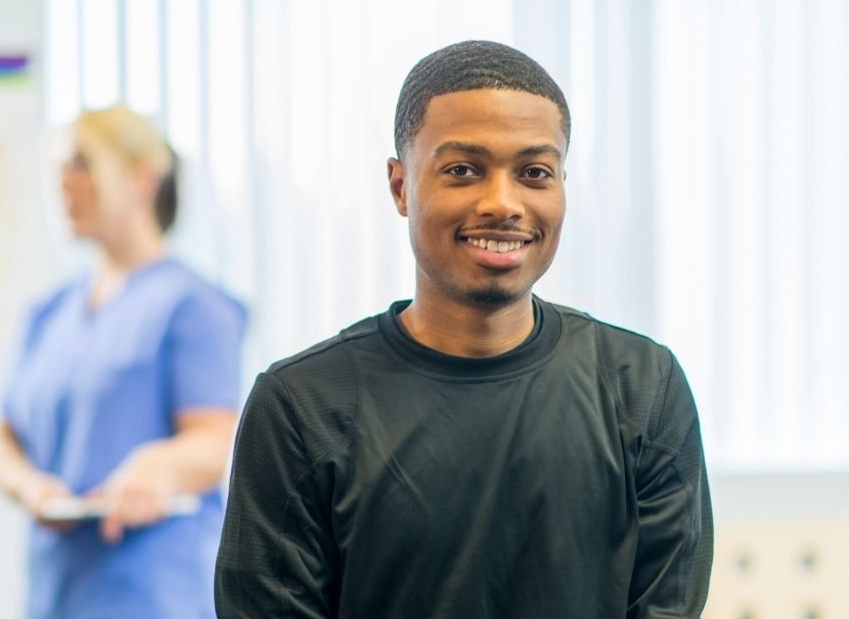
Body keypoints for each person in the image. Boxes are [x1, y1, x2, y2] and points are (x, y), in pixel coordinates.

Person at [215, 40, 713, 618]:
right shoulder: (302, 406)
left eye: (534, 173)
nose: (503, 203)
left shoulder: (642, 388)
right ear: (401, 187)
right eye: (462, 170)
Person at [0, 106, 246, 618]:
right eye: (58, 167)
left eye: (81, 164)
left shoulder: (190, 305)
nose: (63, 182)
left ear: (142, 178)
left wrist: (158, 468)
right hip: (59, 589)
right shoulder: (48, 313)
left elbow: (216, 440)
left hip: (152, 591)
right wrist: (29, 486)